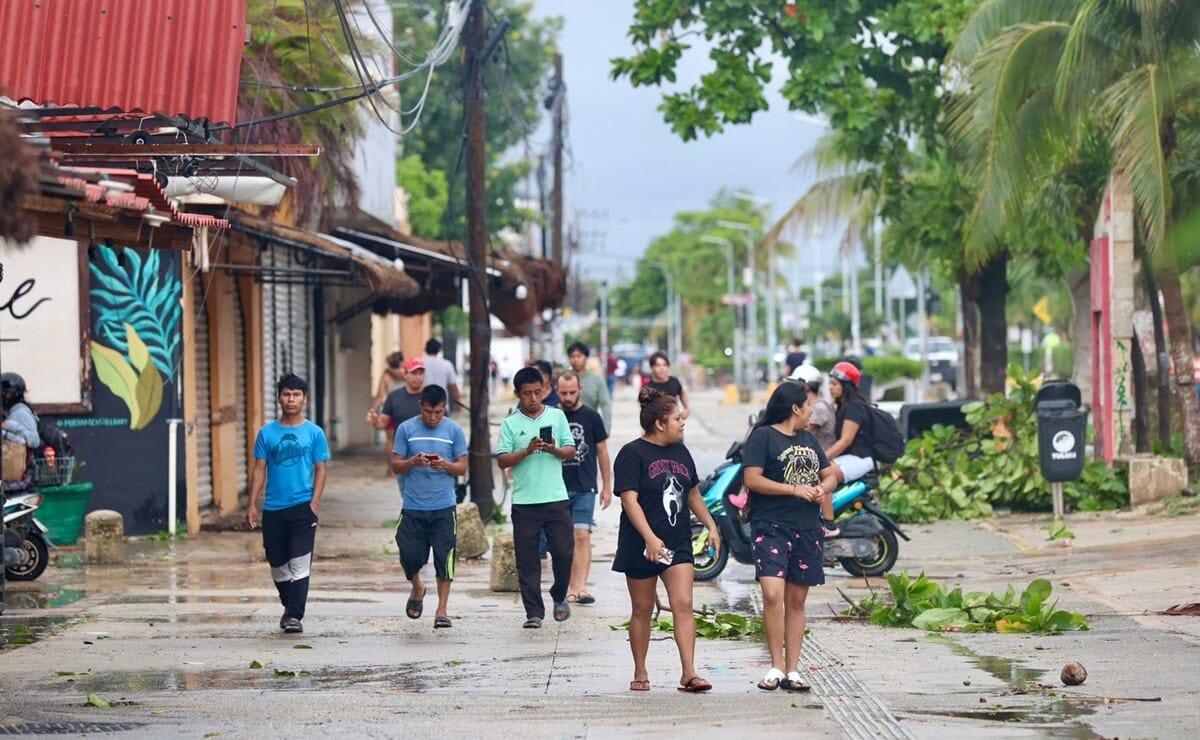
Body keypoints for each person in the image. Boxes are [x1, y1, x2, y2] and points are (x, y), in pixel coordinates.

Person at [613, 387, 721, 693]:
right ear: (660, 423)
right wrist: (649, 538)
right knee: (643, 609)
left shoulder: (681, 451)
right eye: (677, 418)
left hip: (677, 542)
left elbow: (693, 493)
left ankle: (689, 672)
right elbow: (629, 501)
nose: (683, 422)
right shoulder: (631, 454)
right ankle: (640, 671)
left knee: (684, 605)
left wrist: (711, 525)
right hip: (641, 545)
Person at [742, 382, 838, 692]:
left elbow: (830, 473)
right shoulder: (762, 437)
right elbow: (752, 479)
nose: (812, 411)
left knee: (796, 601)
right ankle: (776, 666)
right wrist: (793, 489)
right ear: (794, 408)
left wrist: (824, 488)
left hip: (807, 527)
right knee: (772, 594)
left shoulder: (809, 439)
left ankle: (793, 670)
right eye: (808, 406)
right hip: (770, 525)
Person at [247, 374, 331, 634]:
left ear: (304, 399)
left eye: (296, 394)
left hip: (302, 506)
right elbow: (259, 469)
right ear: (280, 397)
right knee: (277, 563)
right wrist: (252, 504)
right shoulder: (266, 433)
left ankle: (295, 615)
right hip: (273, 508)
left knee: (299, 561)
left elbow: (321, 469)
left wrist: (314, 502)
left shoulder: (314, 433)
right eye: (286, 394)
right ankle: (289, 604)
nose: (291, 399)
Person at [496, 367, 577, 629]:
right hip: (525, 502)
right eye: (527, 394)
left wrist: (552, 448)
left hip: (555, 497)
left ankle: (559, 595)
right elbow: (502, 460)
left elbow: (570, 451)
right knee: (527, 559)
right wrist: (526, 451)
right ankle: (534, 611)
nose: (532, 398)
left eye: (537, 392)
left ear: (544, 391)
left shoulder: (557, 416)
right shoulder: (510, 423)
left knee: (564, 552)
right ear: (517, 394)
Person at [390, 385, 468, 629]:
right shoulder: (406, 429)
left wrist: (445, 465)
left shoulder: (454, 430)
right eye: (427, 412)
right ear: (420, 407)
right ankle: (417, 587)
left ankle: (442, 610)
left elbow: (463, 467)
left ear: (445, 408)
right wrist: (413, 461)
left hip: (444, 505)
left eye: (437, 412)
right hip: (413, 505)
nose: (432, 417)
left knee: (445, 558)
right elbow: (395, 465)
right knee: (408, 554)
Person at [556, 372, 612, 605]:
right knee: (564, 541)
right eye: (563, 393)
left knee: (582, 536)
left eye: (572, 392)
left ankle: (582, 587)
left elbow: (602, 452)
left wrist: (607, 486)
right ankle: (570, 587)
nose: (568, 397)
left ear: (580, 389)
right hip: (556, 488)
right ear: (556, 391)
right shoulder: (552, 416)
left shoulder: (592, 417)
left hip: (585, 486)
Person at [788, 365, 839, 534]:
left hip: (819, 458)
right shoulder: (812, 405)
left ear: (806, 386)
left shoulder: (816, 408)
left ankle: (829, 523)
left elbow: (797, 430)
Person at [367, 358, 427, 460]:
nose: (418, 377)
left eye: (421, 373)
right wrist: (375, 421)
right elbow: (382, 423)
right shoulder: (394, 397)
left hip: (427, 453)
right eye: (414, 373)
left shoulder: (431, 396)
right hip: (402, 455)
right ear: (405, 374)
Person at [825, 361, 875, 484]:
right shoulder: (842, 406)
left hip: (860, 458)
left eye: (834, 384)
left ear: (846, 385)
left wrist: (822, 458)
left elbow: (846, 440)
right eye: (830, 383)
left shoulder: (855, 407)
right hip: (847, 458)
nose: (830, 387)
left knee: (823, 475)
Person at [567, 341, 612, 432]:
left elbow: (605, 404)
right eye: (572, 356)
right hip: (567, 427)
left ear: (586, 358)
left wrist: (606, 429)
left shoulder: (597, 380)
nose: (575, 360)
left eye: (579, 356)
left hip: (590, 427)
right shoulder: (564, 379)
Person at [644, 351, 690, 419]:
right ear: (652, 367)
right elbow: (644, 410)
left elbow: (682, 393)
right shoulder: (648, 387)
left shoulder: (674, 381)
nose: (661, 368)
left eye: (664, 365)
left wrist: (687, 409)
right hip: (657, 424)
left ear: (668, 366)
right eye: (658, 365)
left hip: (675, 421)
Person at [1, 373, 41, 449]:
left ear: (14, 394)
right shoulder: (12, 412)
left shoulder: (21, 412)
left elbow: (34, 440)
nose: (3, 396)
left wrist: (9, 426)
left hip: (21, 459)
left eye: (5, 393)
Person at [423, 339, 462, 413]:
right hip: (441, 406)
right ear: (439, 350)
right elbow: (453, 387)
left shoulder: (420, 363)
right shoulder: (447, 364)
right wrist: (458, 403)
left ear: (425, 349)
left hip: (424, 405)